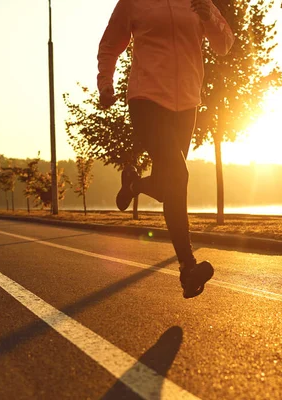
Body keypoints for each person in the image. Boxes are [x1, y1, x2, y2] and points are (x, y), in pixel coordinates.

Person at [98, 0, 234, 298]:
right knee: (179, 175)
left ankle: (134, 183)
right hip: (146, 100)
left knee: (166, 186)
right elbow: (110, 45)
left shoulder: (198, 2)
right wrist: (105, 83)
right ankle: (188, 268)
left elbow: (224, 44)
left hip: (186, 105)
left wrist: (209, 16)